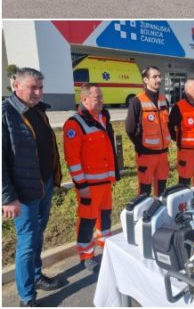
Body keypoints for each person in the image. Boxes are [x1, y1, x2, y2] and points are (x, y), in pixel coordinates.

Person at [3, 68, 64, 307]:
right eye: (33, 88)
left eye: (41, 87)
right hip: (23, 193)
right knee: (27, 242)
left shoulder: (38, 110)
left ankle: (36, 276)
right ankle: (26, 298)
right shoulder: (6, 114)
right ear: (16, 86)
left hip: (44, 185)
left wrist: (54, 178)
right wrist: (7, 198)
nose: (38, 92)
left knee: (38, 235)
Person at [64, 83, 117, 272]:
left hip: (105, 182)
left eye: (101, 96)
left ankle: (106, 246)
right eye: (97, 97)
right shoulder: (75, 124)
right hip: (89, 185)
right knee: (87, 220)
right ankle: (86, 255)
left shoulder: (102, 118)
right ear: (84, 99)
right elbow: (72, 159)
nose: (102, 100)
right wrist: (81, 184)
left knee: (105, 217)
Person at [125, 66, 171, 196]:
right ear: (146, 80)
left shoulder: (164, 100)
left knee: (162, 189)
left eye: (159, 76)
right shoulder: (137, 101)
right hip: (146, 155)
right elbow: (129, 129)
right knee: (145, 191)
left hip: (163, 154)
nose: (159, 79)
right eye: (154, 77)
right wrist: (140, 146)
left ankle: (159, 208)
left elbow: (167, 126)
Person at [168, 79, 194, 187]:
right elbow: (169, 126)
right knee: (184, 183)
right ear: (187, 91)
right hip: (187, 152)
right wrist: (177, 138)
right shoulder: (179, 107)